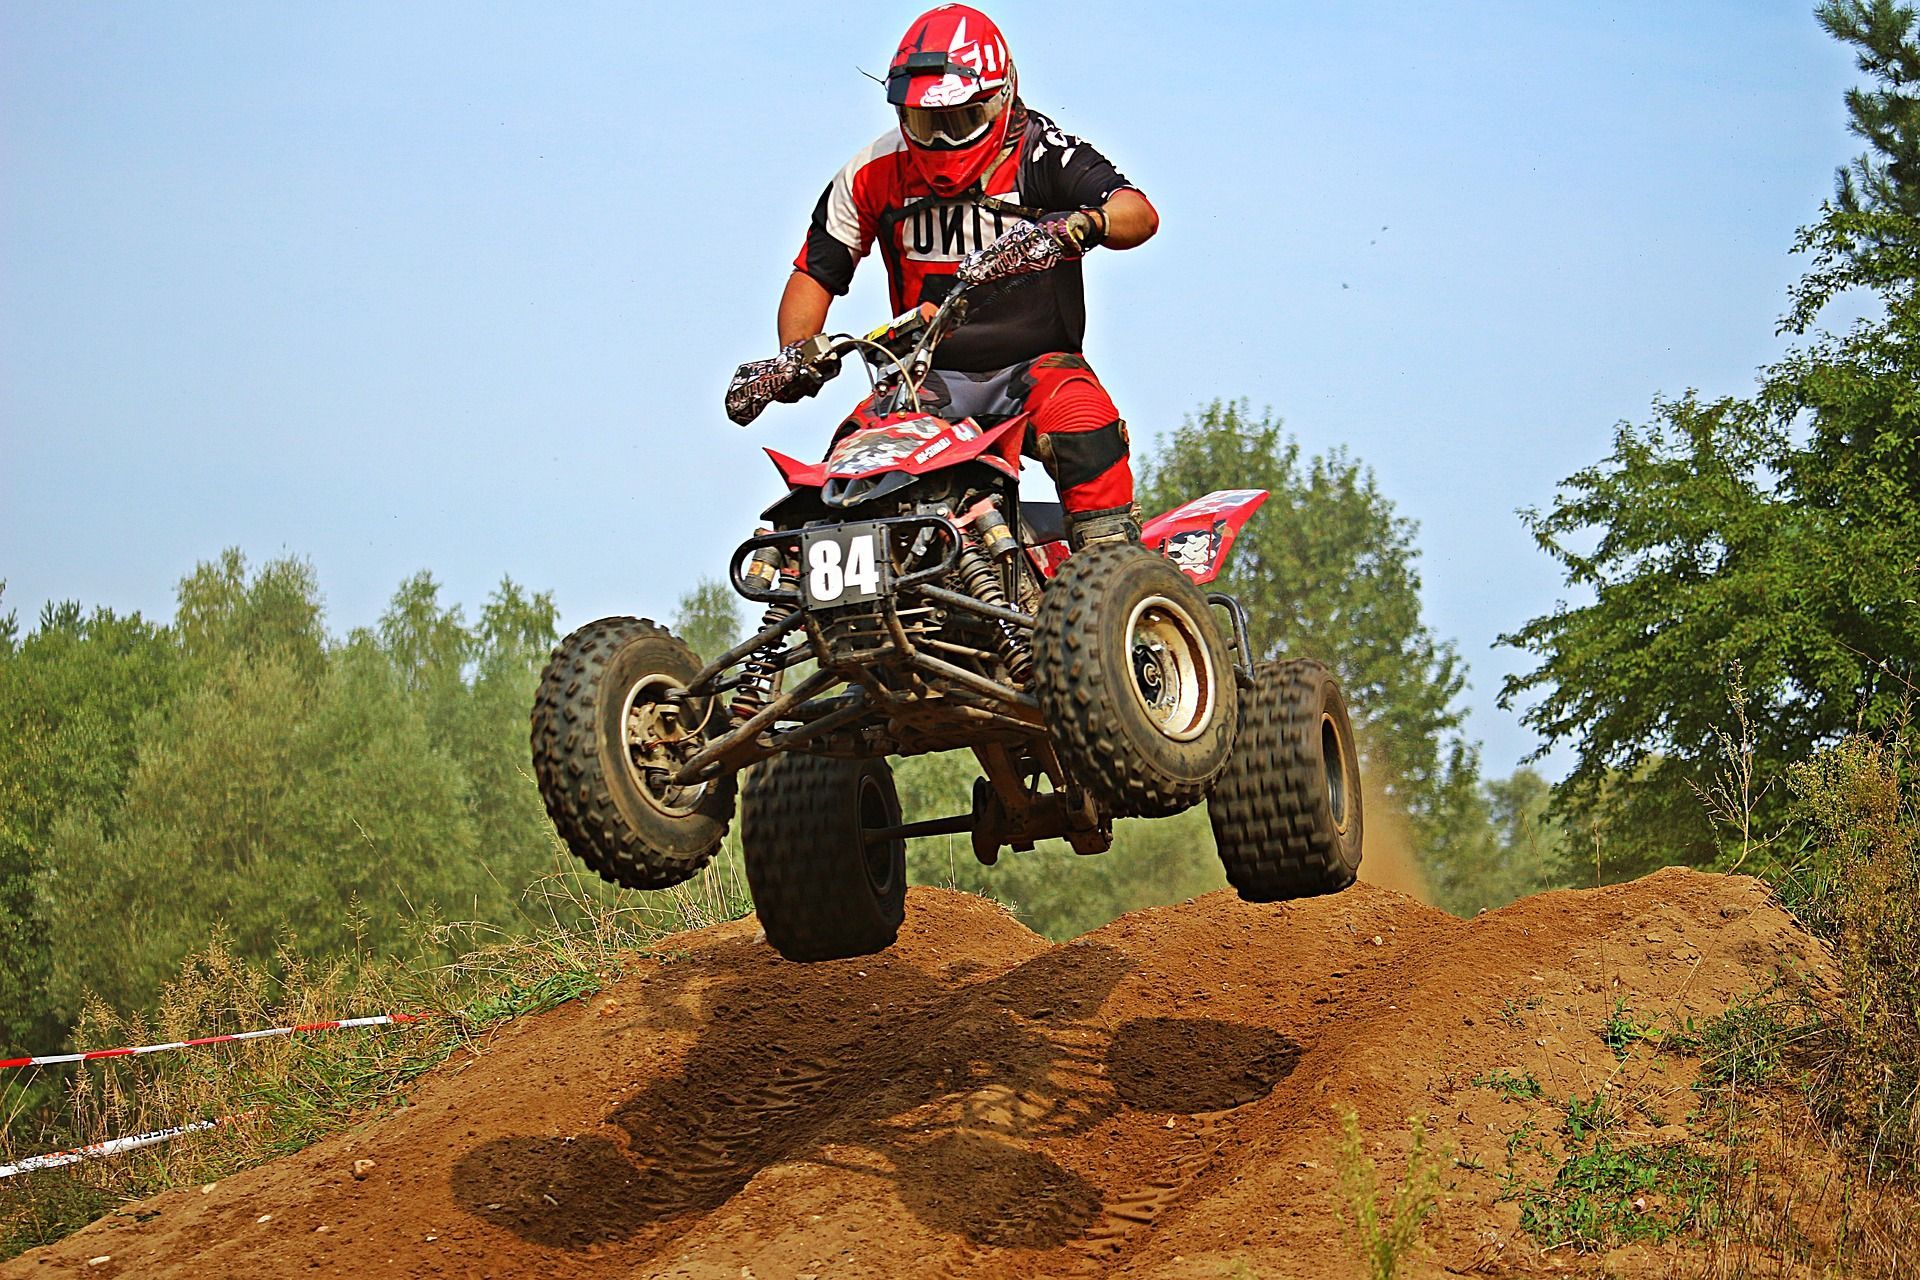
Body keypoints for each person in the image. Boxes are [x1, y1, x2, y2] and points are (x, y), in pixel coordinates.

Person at [772, 3, 1159, 549]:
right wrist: (795, 356)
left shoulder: (1044, 152)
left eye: (960, 119)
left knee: (1083, 415)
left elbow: (1138, 212)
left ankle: (1110, 569)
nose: (941, 140)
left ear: (1001, 99)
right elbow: (815, 272)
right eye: (926, 122)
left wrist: (1083, 224)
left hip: (1036, 371)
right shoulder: (870, 171)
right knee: (845, 466)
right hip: (923, 378)